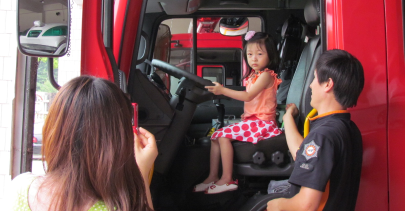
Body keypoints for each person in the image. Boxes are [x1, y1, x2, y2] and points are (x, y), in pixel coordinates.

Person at [9, 76, 158, 211]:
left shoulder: (19, 189)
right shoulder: (119, 207)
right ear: (118, 141)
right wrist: (142, 173)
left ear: (53, 130)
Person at [267, 49, 364, 211]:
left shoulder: (322, 136)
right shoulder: (348, 129)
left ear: (328, 84)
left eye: (314, 78)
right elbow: (305, 156)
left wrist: (277, 205)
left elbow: (306, 205)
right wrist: (288, 118)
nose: (311, 85)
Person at [194, 31, 283, 194]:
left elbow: (248, 96)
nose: (253, 59)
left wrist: (222, 90)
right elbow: (256, 101)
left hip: (264, 124)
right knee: (215, 136)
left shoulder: (265, 76)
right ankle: (213, 176)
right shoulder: (254, 76)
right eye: (249, 54)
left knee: (223, 135)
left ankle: (227, 179)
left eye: (259, 54)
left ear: (270, 55)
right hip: (254, 121)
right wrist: (247, 114)